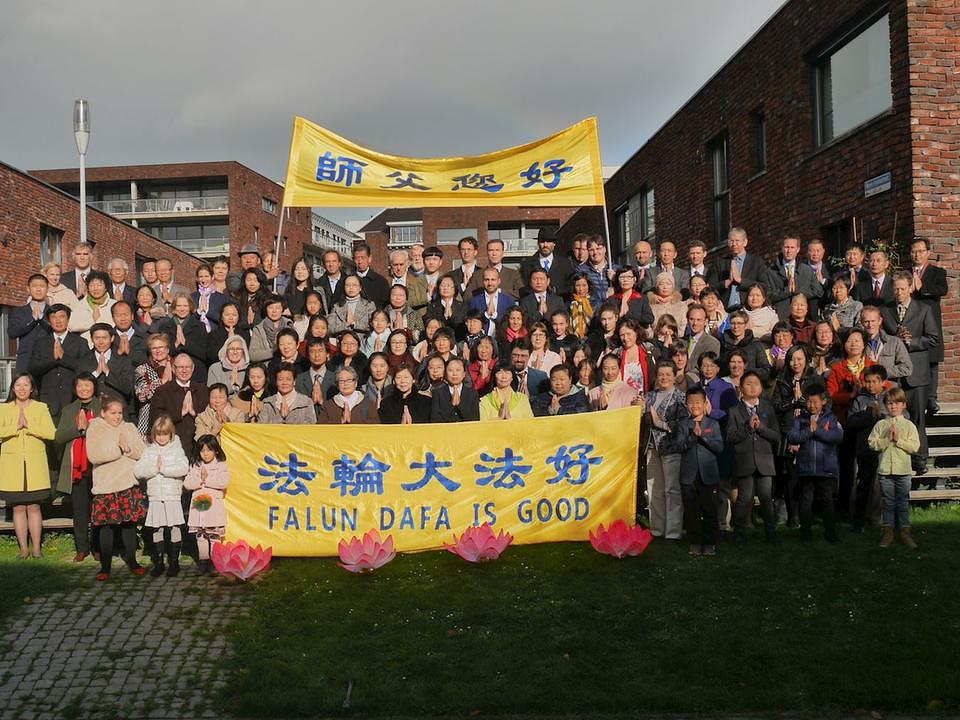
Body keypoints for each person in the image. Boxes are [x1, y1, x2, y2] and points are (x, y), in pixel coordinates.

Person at [882, 272, 940, 477]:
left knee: (917, 418)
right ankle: (898, 458)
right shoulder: (886, 310)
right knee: (894, 417)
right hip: (894, 374)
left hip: (916, 373)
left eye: (902, 289)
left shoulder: (923, 309)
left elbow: (933, 339)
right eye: (896, 289)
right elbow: (882, 337)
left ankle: (921, 459)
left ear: (910, 289)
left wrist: (911, 342)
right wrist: (895, 339)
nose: (898, 292)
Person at [86, 395, 147, 580]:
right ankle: (105, 567)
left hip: (127, 483)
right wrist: (118, 450)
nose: (117, 416)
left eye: (120, 413)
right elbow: (94, 455)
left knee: (129, 526)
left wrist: (127, 448)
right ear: (103, 413)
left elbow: (141, 451)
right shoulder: (95, 428)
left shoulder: (129, 427)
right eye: (113, 413)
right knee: (106, 528)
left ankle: (133, 561)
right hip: (106, 486)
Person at [0, 374, 56, 559]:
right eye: (18, 385)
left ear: (32, 388)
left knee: (33, 507)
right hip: (12, 465)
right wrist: (15, 427)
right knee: (17, 508)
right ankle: (23, 548)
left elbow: (51, 433)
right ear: (13, 388)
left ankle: (37, 548)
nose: (22, 388)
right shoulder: (4, 408)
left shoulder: (41, 408)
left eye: (26, 385)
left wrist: (29, 426)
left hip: (35, 464)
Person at [726, 371, 781, 545]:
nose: (752, 386)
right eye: (748, 383)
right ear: (741, 388)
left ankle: (771, 534)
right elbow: (730, 437)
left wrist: (761, 428)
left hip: (765, 462)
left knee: (766, 498)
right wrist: (748, 428)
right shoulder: (735, 411)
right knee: (744, 498)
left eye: (756, 383)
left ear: (761, 388)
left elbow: (776, 436)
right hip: (744, 462)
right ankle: (740, 535)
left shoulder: (767, 408)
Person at [787, 382, 843, 543]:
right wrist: (808, 431)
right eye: (809, 402)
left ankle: (830, 534)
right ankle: (806, 535)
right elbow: (792, 437)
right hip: (806, 468)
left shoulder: (831, 418)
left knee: (827, 502)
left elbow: (837, 437)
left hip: (826, 469)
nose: (811, 405)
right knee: (806, 502)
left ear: (823, 401)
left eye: (815, 402)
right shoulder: (801, 419)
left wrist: (817, 431)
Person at [134, 414, 190, 577]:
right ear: (154, 434)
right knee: (157, 528)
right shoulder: (150, 451)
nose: (162, 438)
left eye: (165, 434)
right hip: (156, 496)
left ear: (171, 434)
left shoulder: (176, 449)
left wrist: (164, 470)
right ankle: (158, 562)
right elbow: (138, 470)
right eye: (158, 434)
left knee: (174, 526)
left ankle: (174, 562)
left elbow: (184, 468)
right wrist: (153, 470)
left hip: (172, 494)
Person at [54, 373, 102, 562]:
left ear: (94, 387)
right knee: (80, 510)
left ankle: (98, 547)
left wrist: (89, 428)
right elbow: (59, 437)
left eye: (87, 385)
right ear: (75, 389)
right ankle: (82, 548)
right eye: (80, 386)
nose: (84, 389)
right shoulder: (68, 410)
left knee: (98, 509)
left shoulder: (101, 406)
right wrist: (78, 429)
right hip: (76, 468)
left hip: (97, 466)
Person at [868, 387, 921, 549]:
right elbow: (872, 443)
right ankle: (888, 532)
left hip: (903, 472)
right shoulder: (880, 424)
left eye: (897, 403)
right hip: (885, 472)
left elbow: (915, 447)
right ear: (885, 405)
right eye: (889, 404)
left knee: (903, 502)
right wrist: (886, 440)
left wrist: (898, 440)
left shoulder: (909, 425)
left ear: (903, 405)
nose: (893, 407)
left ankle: (905, 532)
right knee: (888, 502)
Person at [643, 361, 690, 540]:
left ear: (674, 377)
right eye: (661, 374)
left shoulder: (680, 397)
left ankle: (673, 531)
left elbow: (682, 424)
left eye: (668, 375)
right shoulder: (649, 396)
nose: (664, 378)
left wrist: (660, 423)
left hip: (671, 446)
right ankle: (657, 529)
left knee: (672, 489)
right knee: (654, 488)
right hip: (651, 446)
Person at [772, 345, 817, 529]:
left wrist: (804, 402)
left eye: (799, 359)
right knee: (790, 478)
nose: (795, 363)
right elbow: (776, 406)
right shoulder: (783, 381)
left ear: (805, 359)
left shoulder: (814, 379)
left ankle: (808, 516)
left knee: (808, 480)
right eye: (792, 359)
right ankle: (793, 517)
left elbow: (822, 404)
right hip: (787, 433)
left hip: (810, 433)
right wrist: (793, 402)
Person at [846, 365, 893, 533]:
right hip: (864, 447)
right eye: (867, 382)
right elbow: (851, 423)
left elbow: (901, 417)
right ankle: (857, 518)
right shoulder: (860, 400)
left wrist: (880, 414)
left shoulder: (890, 398)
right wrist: (868, 415)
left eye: (874, 382)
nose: (870, 385)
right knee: (861, 483)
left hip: (884, 449)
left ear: (883, 382)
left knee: (878, 484)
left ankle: (875, 517)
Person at [678, 387, 723, 556]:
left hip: (709, 474)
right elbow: (679, 446)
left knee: (710, 509)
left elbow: (719, 447)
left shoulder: (713, 424)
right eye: (691, 403)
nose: (695, 406)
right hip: (689, 475)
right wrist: (692, 438)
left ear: (705, 404)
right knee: (692, 510)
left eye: (698, 402)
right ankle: (695, 542)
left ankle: (710, 542)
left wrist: (702, 436)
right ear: (686, 405)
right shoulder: (683, 424)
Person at [29, 304, 87, 424]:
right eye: (54, 317)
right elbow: (33, 369)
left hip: (73, 400)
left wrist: (63, 358)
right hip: (48, 400)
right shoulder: (41, 343)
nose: (58, 320)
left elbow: (85, 369)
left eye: (62, 317)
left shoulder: (80, 342)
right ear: (49, 321)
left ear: (68, 319)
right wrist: (53, 359)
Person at [909, 238, 948, 414]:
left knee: (932, 359)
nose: (917, 255)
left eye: (920, 251)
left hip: (930, 320)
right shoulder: (906, 273)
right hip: (912, 320)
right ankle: (917, 396)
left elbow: (942, 289)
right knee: (914, 358)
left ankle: (931, 399)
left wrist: (922, 287)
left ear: (928, 253)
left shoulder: (936, 272)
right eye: (914, 251)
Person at [183, 434, 230, 576]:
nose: (206, 454)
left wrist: (206, 480)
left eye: (209, 450)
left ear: (215, 450)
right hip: (198, 508)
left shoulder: (221, 465)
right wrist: (199, 481)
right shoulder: (195, 466)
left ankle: (215, 562)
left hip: (213, 508)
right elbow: (187, 483)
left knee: (214, 536)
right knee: (201, 536)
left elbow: (223, 482)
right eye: (202, 451)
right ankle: (203, 562)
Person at [149, 352, 210, 458]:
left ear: (193, 368)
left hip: (198, 446)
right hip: (172, 444)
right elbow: (155, 418)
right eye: (180, 367)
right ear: (173, 368)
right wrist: (180, 413)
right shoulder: (162, 391)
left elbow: (209, 416)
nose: (184, 370)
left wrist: (193, 412)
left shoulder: (203, 390)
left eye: (187, 367)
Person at [80, 323, 134, 412]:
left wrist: (108, 372)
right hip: (92, 411)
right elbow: (78, 387)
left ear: (112, 338)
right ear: (91, 339)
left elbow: (127, 388)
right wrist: (96, 373)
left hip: (117, 412)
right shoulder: (83, 360)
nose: (101, 342)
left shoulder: (123, 360)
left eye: (104, 338)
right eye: (97, 338)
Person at [769, 235, 823, 319]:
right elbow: (768, 296)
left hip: (803, 319)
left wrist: (798, 292)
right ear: (782, 248)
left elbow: (818, 291)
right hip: (781, 318)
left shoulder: (806, 270)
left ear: (797, 249)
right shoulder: (771, 272)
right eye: (786, 247)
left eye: (792, 247)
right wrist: (787, 291)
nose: (789, 251)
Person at [718, 227, 771, 311]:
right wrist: (726, 282)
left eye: (737, 241)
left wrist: (741, 281)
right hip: (726, 310)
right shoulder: (721, 262)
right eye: (731, 241)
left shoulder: (756, 262)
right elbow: (713, 286)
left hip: (748, 309)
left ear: (745, 242)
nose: (734, 244)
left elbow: (764, 286)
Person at [159, 294, 208, 381]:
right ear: (174, 308)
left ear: (190, 307)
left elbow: (204, 353)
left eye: (185, 306)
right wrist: (175, 345)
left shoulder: (199, 326)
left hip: (195, 372)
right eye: (179, 306)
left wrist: (186, 343)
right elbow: (161, 351)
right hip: (173, 371)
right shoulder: (165, 326)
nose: (182, 309)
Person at [9, 273, 51, 374]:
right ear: (28, 289)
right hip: (25, 360)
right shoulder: (18, 311)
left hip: (48, 360)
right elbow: (12, 333)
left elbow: (57, 330)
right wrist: (32, 320)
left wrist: (41, 319)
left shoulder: (53, 311)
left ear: (47, 289)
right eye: (35, 286)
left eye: (42, 286)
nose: (38, 289)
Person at [860, 306, 912, 385]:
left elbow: (907, 368)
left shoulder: (894, 342)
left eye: (873, 321)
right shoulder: (859, 343)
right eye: (866, 321)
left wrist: (882, 372)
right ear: (861, 322)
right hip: (866, 389)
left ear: (880, 321)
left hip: (889, 390)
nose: (870, 325)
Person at [134, 333, 174, 434]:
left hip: (174, 416)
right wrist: (161, 381)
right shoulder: (142, 369)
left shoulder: (178, 365)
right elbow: (141, 396)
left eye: (161, 347)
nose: (158, 350)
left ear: (167, 349)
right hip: (149, 419)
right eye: (154, 348)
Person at [519, 227, 575, 296]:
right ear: (538, 243)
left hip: (559, 305)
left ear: (554, 243)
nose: (545, 245)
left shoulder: (565, 264)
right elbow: (524, 289)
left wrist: (556, 290)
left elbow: (571, 287)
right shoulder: (526, 264)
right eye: (542, 241)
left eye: (548, 241)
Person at [719, 310, 771, 382]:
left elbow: (766, 370)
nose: (736, 326)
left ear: (746, 325)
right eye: (733, 323)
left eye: (739, 323)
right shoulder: (723, 344)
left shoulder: (755, 345)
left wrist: (745, 371)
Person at [68, 270, 116, 343]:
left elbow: (116, 326)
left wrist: (98, 321)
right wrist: (92, 320)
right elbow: (71, 326)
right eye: (92, 285)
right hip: (86, 348)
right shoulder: (80, 304)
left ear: (106, 287)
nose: (95, 288)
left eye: (99, 285)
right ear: (87, 287)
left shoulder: (113, 305)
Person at [468, 268, 517, 335]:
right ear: (483, 281)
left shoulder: (509, 301)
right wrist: (486, 315)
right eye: (487, 280)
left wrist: (495, 315)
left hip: (503, 340)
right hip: (481, 341)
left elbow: (510, 322)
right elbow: (472, 323)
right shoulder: (474, 301)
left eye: (493, 280)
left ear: (499, 281)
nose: (490, 283)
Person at [431, 357, 480, 422]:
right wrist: (451, 405)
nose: (454, 374)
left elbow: (475, 420)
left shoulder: (472, 393)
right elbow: (435, 420)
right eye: (450, 370)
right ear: (445, 374)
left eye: (458, 370)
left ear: (464, 374)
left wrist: (460, 405)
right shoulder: (437, 393)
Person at [249, 294, 295, 363]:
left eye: (277, 308)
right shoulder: (259, 329)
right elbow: (253, 355)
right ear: (266, 309)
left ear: (282, 309)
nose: (274, 311)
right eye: (270, 308)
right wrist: (273, 351)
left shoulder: (289, 324)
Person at [327, 275, 375, 340]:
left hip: (362, 342)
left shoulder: (369, 305)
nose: (351, 288)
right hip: (342, 342)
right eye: (348, 285)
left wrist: (354, 324)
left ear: (360, 288)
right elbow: (330, 328)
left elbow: (373, 325)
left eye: (354, 285)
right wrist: (346, 325)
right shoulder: (336, 306)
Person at [578, 235, 617, 308]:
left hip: (612, 312)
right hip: (592, 311)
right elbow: (581, 292)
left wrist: (615, 280)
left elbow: (625, 291)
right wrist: (605, 295)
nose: (595, 252)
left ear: (605, 249)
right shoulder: (581, 270)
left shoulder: (616, 269)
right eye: (591, 250)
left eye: (598, 248)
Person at [387, 249, 429, 317]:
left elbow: (423, 303)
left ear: (407, 264)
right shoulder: (385, 281)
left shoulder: (417, 281)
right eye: (395, 265)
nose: (398, 268)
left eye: (401, 264)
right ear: (391, 265)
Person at [617, 317, 655, 393]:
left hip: (644, 398)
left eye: (628, 334)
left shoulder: (649, 352)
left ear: (636, 333)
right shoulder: (617, 355)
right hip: (623, 400)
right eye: (622, 335)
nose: (625, 338)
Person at [205, 302, 249, 367]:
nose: (231, 318)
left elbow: (247, 355)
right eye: (227, 315)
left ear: (239, 317)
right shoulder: (213, 335)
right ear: (221, 317)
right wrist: (228, 341)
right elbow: (211, 356)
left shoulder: (245, 334)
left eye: (234, 315)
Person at [685, 305, 720, 380]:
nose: (695, 323)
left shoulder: (713, 343)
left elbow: (707, 368)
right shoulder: (681, 341)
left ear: (705, 321)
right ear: (687, 320)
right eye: (692, 319)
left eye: (699, 320)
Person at [647, 272, 688, 337]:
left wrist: (674, 336)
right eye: (661, 284)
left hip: (677, 341)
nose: (665, 287)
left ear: (673, 286)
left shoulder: (682, 306)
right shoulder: (650, 306)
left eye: (668, 284)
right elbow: (647, 327)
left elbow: (683, 325)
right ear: (657, 287)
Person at [191, 263, 229, 331]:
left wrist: (207, 312)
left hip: (215, 334)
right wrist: (198, 312)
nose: (203, 279)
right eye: (201, 276)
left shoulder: (221, 298)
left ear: (212, 277)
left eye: (206, 276)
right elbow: (189, 319)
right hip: (196, 333)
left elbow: (223, 319)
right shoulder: (192, 297)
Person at [353, 242, 390, 309]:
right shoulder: (347, 281)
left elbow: (386, 306)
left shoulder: (381, 282)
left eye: (363, 258)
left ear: (369, 259)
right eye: (357, 258)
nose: (360, 261)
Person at [111, 301, 148, 368]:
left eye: (126, 314)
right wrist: (118, 353)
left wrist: (130, 352)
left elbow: (147, 362)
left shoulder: (144, 337)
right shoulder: (107, 338)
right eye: (119, 315)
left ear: (132, 316)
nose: (123, 319)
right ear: (113, 318)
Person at [238, 268, 269, 333]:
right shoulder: (237, 298)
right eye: (249, 280)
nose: (252, 284)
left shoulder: (267, 298)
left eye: (256, 280)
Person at [568, 273, 595, 339]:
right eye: (578, 285)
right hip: (573, 338)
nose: (581, 289)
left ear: (589, 286)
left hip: (591, 338)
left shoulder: (595, 303)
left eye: (584, 285)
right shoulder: (569, 303)